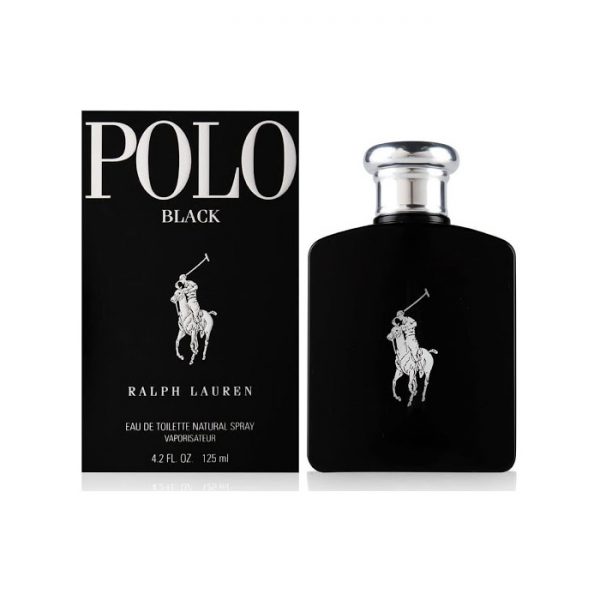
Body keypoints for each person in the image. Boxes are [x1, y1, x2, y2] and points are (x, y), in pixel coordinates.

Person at [395, 310, 424, 376]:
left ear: (402, 315)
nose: (399, 318)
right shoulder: (401, 324)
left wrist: (408, 327)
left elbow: (415, 323)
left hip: (411, 338)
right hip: (406, 340)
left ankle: (420, 367)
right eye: (398, 317)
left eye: (399, 316)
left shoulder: (408, 318)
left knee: (414, 353)